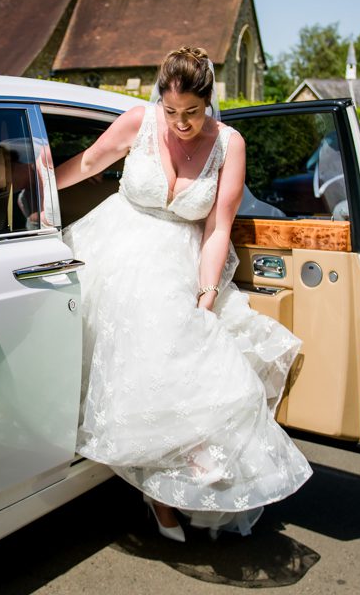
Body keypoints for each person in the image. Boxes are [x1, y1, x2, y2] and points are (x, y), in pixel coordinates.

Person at [55, 46, 312, 542]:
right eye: (171, 111)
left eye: (191, 112)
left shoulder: (229, 144)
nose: (180, 123)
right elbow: (88, 163)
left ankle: (172, 483)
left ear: (208, 101)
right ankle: (161, 488)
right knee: (137, 357)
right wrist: (35, 193)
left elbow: (218, 227)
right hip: (114, 247)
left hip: (180, 258)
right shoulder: (139, 121)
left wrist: (207, 291)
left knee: (191, 354)